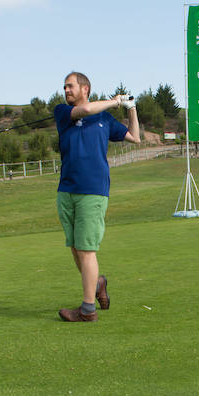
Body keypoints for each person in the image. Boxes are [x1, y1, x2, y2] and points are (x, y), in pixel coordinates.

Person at [54, 71, 140, 322]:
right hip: (66, 191)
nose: (66, 90)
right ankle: (98, 283)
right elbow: (83, 112)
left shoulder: (105, 119)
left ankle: (88, 310)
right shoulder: (63, 112)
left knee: (86, 249)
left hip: (93, 191)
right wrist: (116, 101)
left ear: (85, 89)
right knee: (75, 249)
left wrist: (131, 109)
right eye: (65, 87)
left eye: (70, 86)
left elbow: (134, 137)